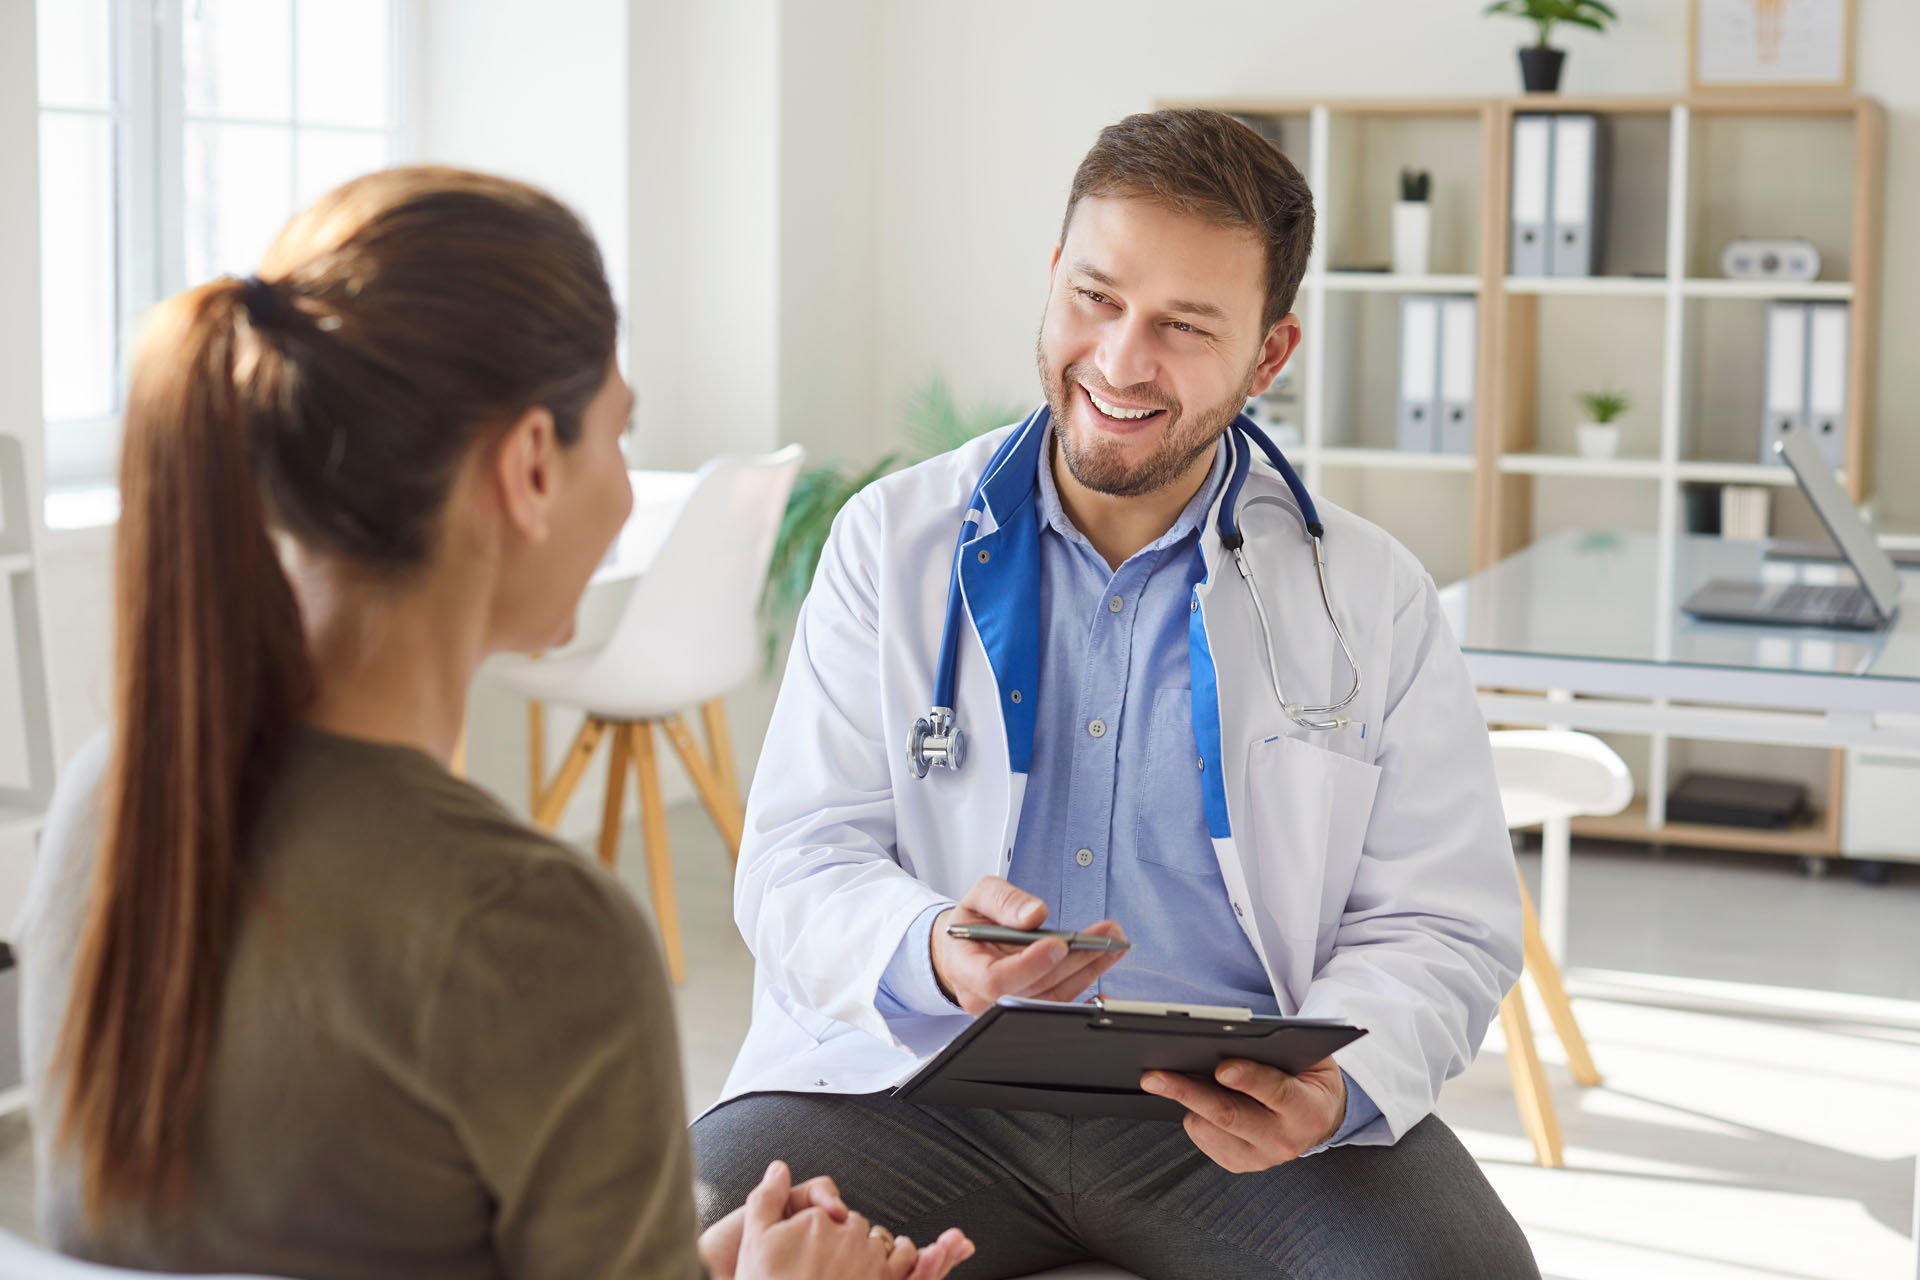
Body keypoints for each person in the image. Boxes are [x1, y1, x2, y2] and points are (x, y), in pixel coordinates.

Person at [15, 167, 970, 1280]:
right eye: (618, 435)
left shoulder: (109, 801)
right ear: (527, 465)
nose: (620, 487)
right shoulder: (534, 935)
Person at [693, 110, 1539, 1277]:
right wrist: (934, 946)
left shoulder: (1372, 593)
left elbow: (1441, 919)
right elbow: (796, 859)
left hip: (1236, 1111)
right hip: (913, 1087)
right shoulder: (890, 542)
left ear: (1269, 353)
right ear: (1053, 282)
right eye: (1096, 298)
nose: (1122, 359)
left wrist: (1331, 1084)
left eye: (1186, 325)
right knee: (694, 1238)